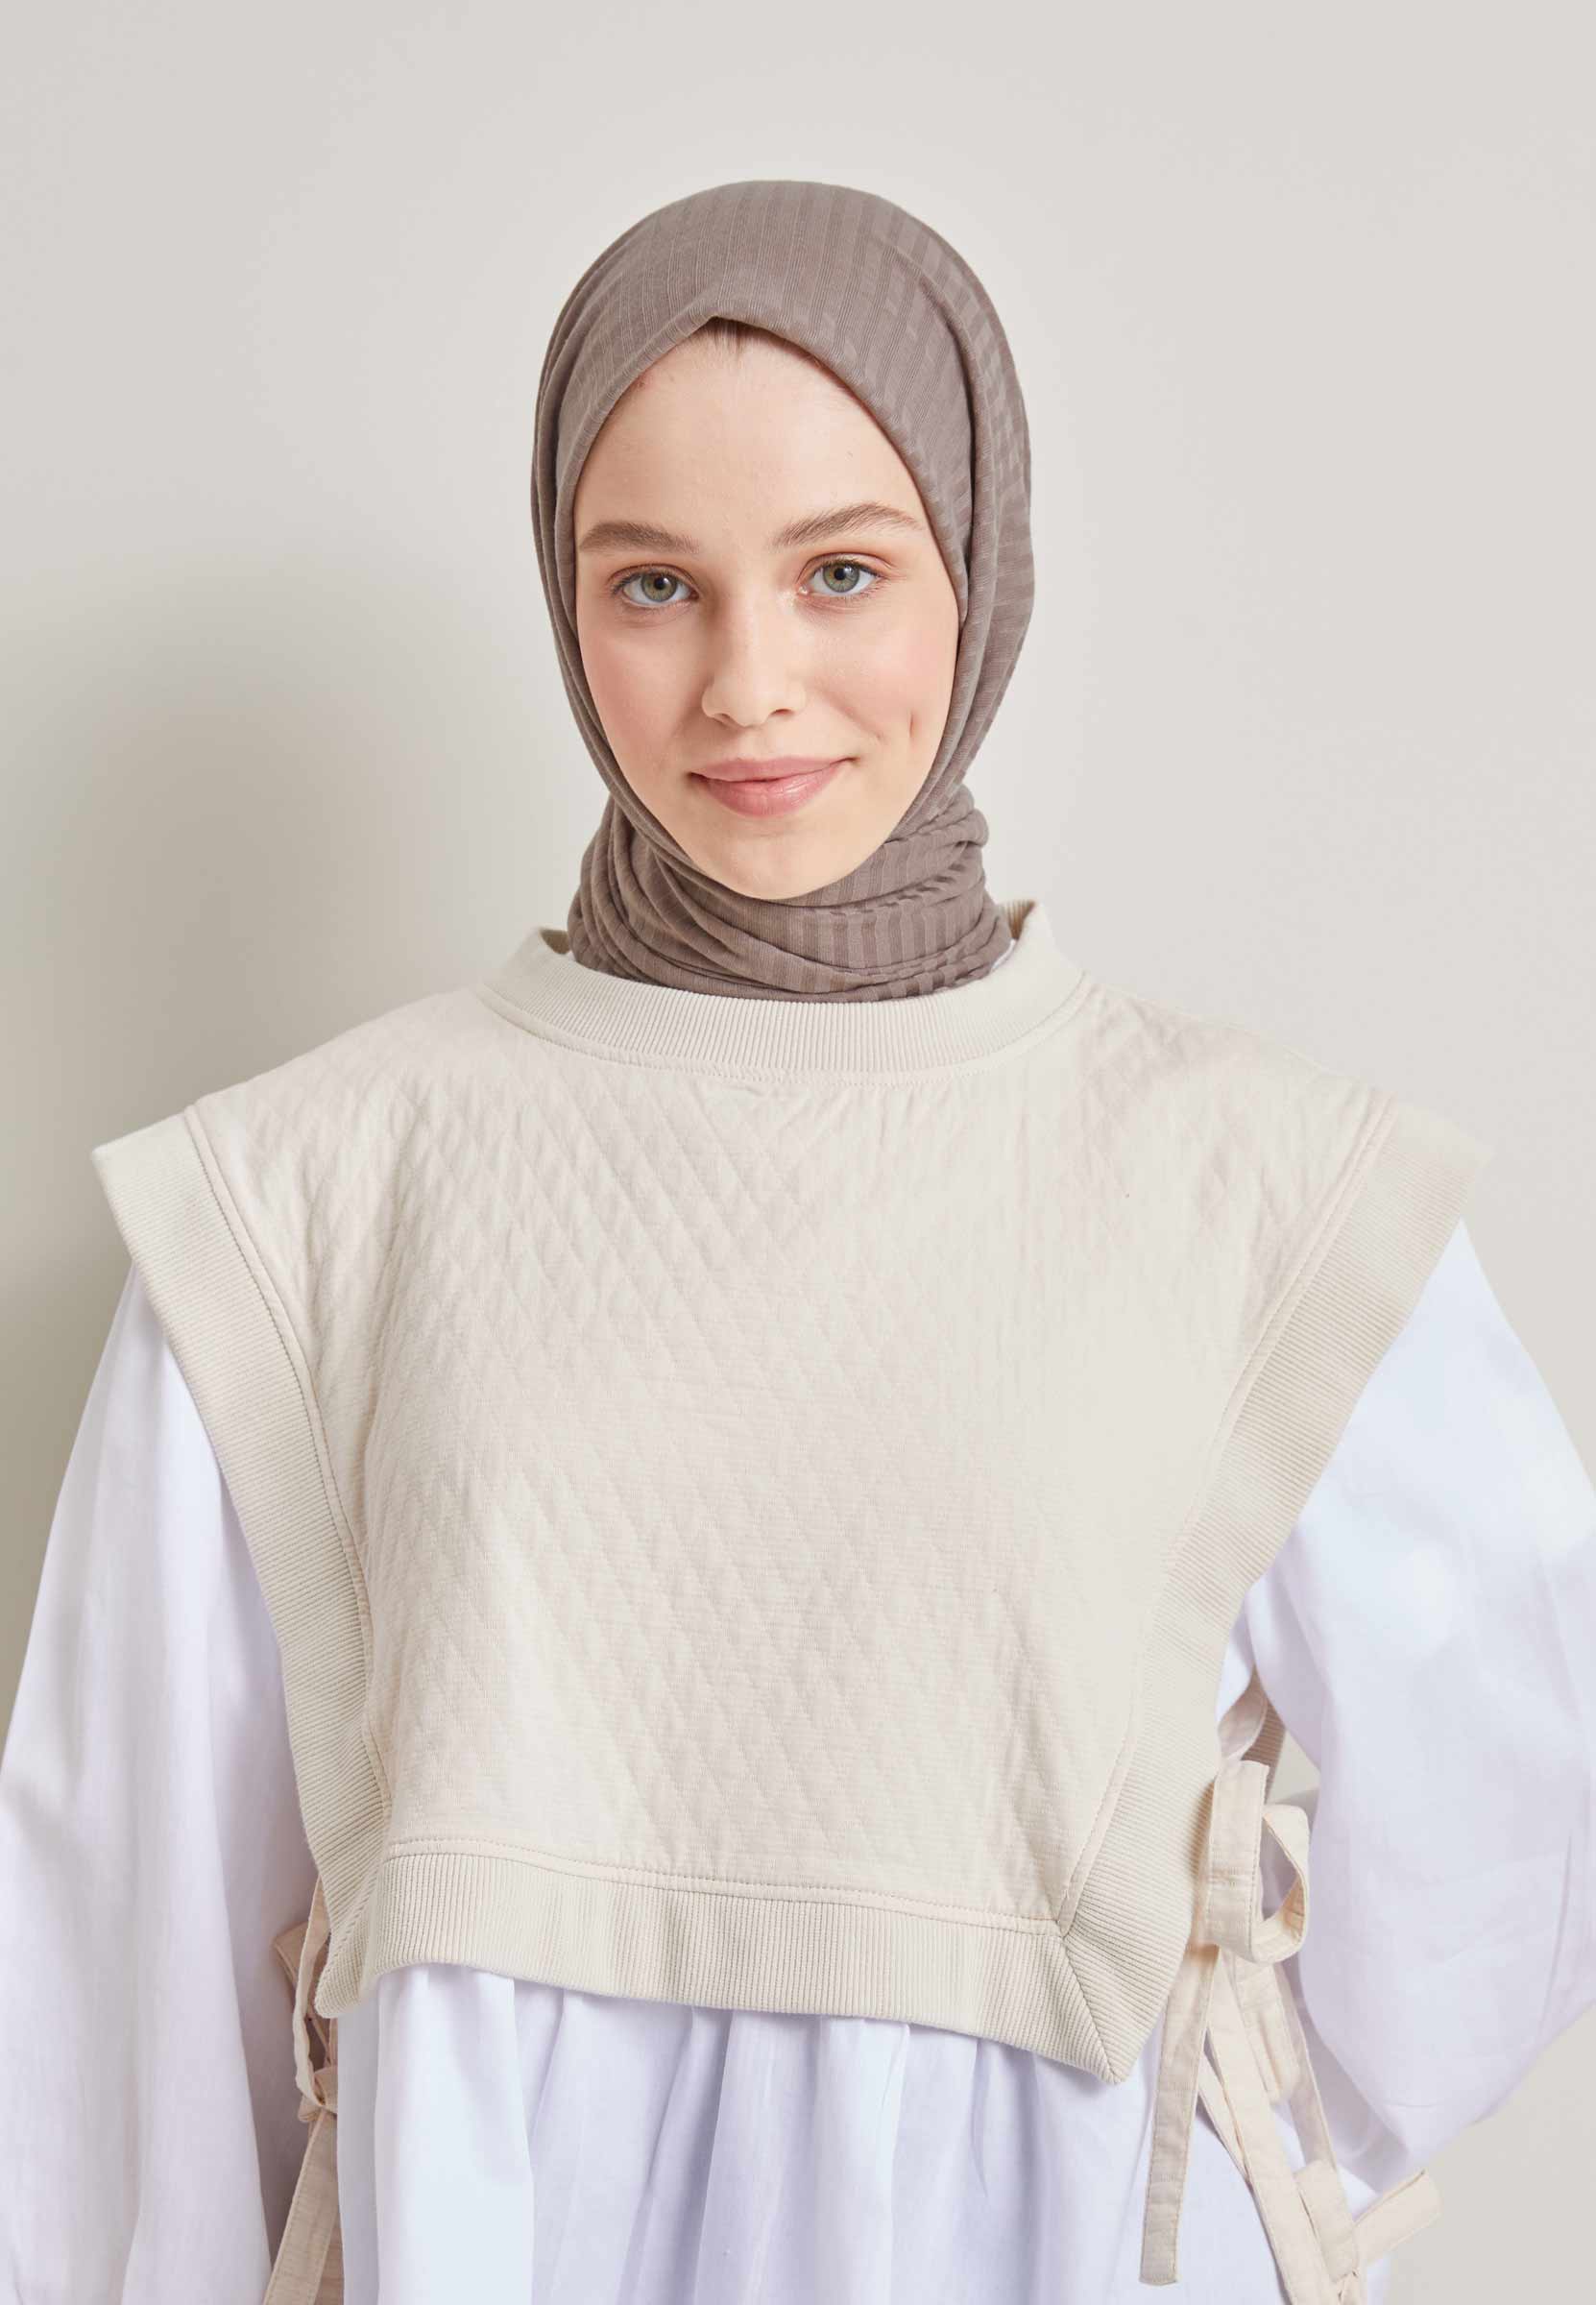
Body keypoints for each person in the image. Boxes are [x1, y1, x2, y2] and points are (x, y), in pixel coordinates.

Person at [3, 179, 1593, 2305]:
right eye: (652, 584)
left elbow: (1504, 1847)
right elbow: (121, 1965)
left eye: (843, 570)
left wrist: (1195, 2137)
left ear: (977, 568)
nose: (749, 686)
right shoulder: (303, 1201)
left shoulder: (1264, 1190)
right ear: (564, 595)